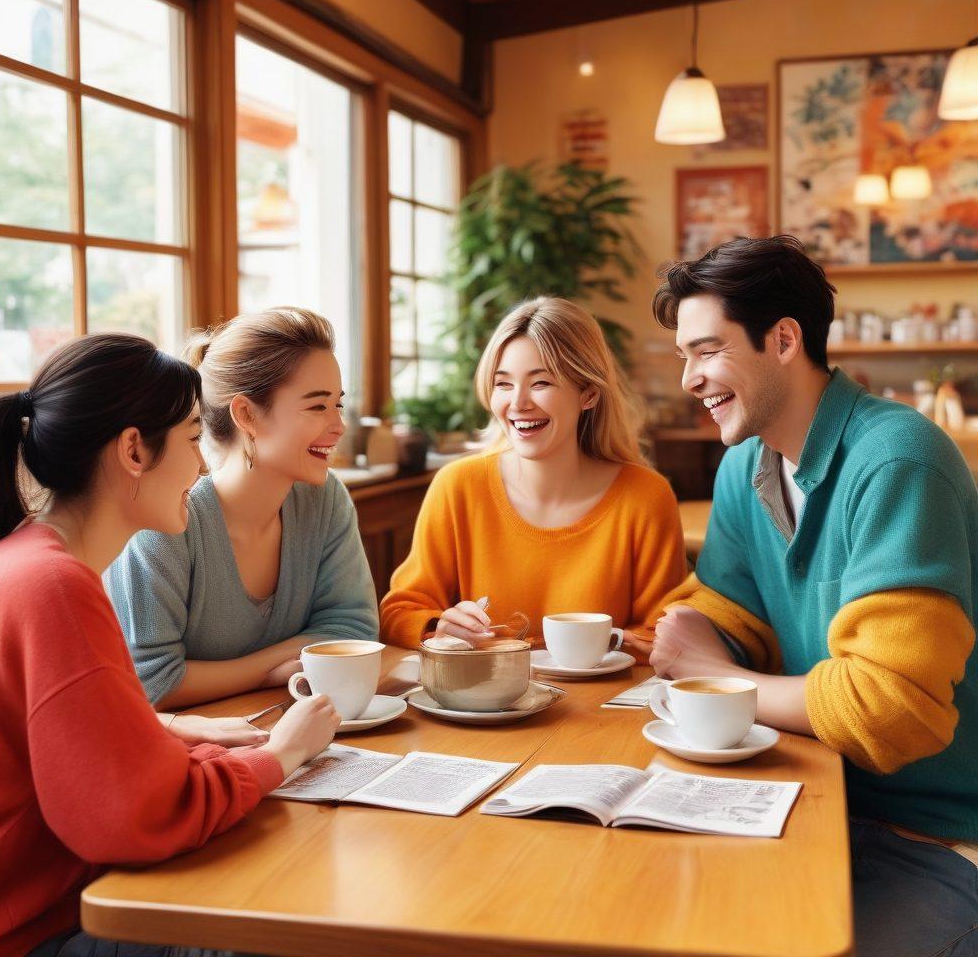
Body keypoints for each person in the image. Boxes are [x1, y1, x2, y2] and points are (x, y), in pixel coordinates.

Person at [0, 334, 340, 957]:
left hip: (28, 912)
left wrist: (150, 729)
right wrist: (282, 756)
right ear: (134, 450)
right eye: (192, 442)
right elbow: (132, 819)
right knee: (284, 923)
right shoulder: (52, 587)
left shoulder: (23, 561)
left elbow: (46, 748)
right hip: (25, 936)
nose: (204, 466)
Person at [646, 235, 978, 957]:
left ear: (785, 339)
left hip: (939, 833)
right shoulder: (745, 466)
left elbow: (893, 710)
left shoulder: (898, 459)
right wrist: (693, 630)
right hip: (815, 799)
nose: (690, 380)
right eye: (684, 358)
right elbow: (730, 613)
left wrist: (727, 681)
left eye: (706, 351)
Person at [106, 308, 378, 710]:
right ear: (246, 414)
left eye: (338, 405)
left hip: (291, 727)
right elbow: (153, 682)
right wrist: (269, 669)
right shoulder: (165, 522)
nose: (339, 426)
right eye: (318, 407)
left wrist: (212, 674)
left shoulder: (325, 498)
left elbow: (354, 631)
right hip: (190, 748)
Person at [380, 296, 686, 649]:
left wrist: (583, 650)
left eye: (540, 383)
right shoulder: (458, 486)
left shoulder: (645, 496)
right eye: (503, 384)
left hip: (600, 702)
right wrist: (439, 628)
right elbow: (398, 613)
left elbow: (662, 637)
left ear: (588, 393)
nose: (518, 403)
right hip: (485, 700)